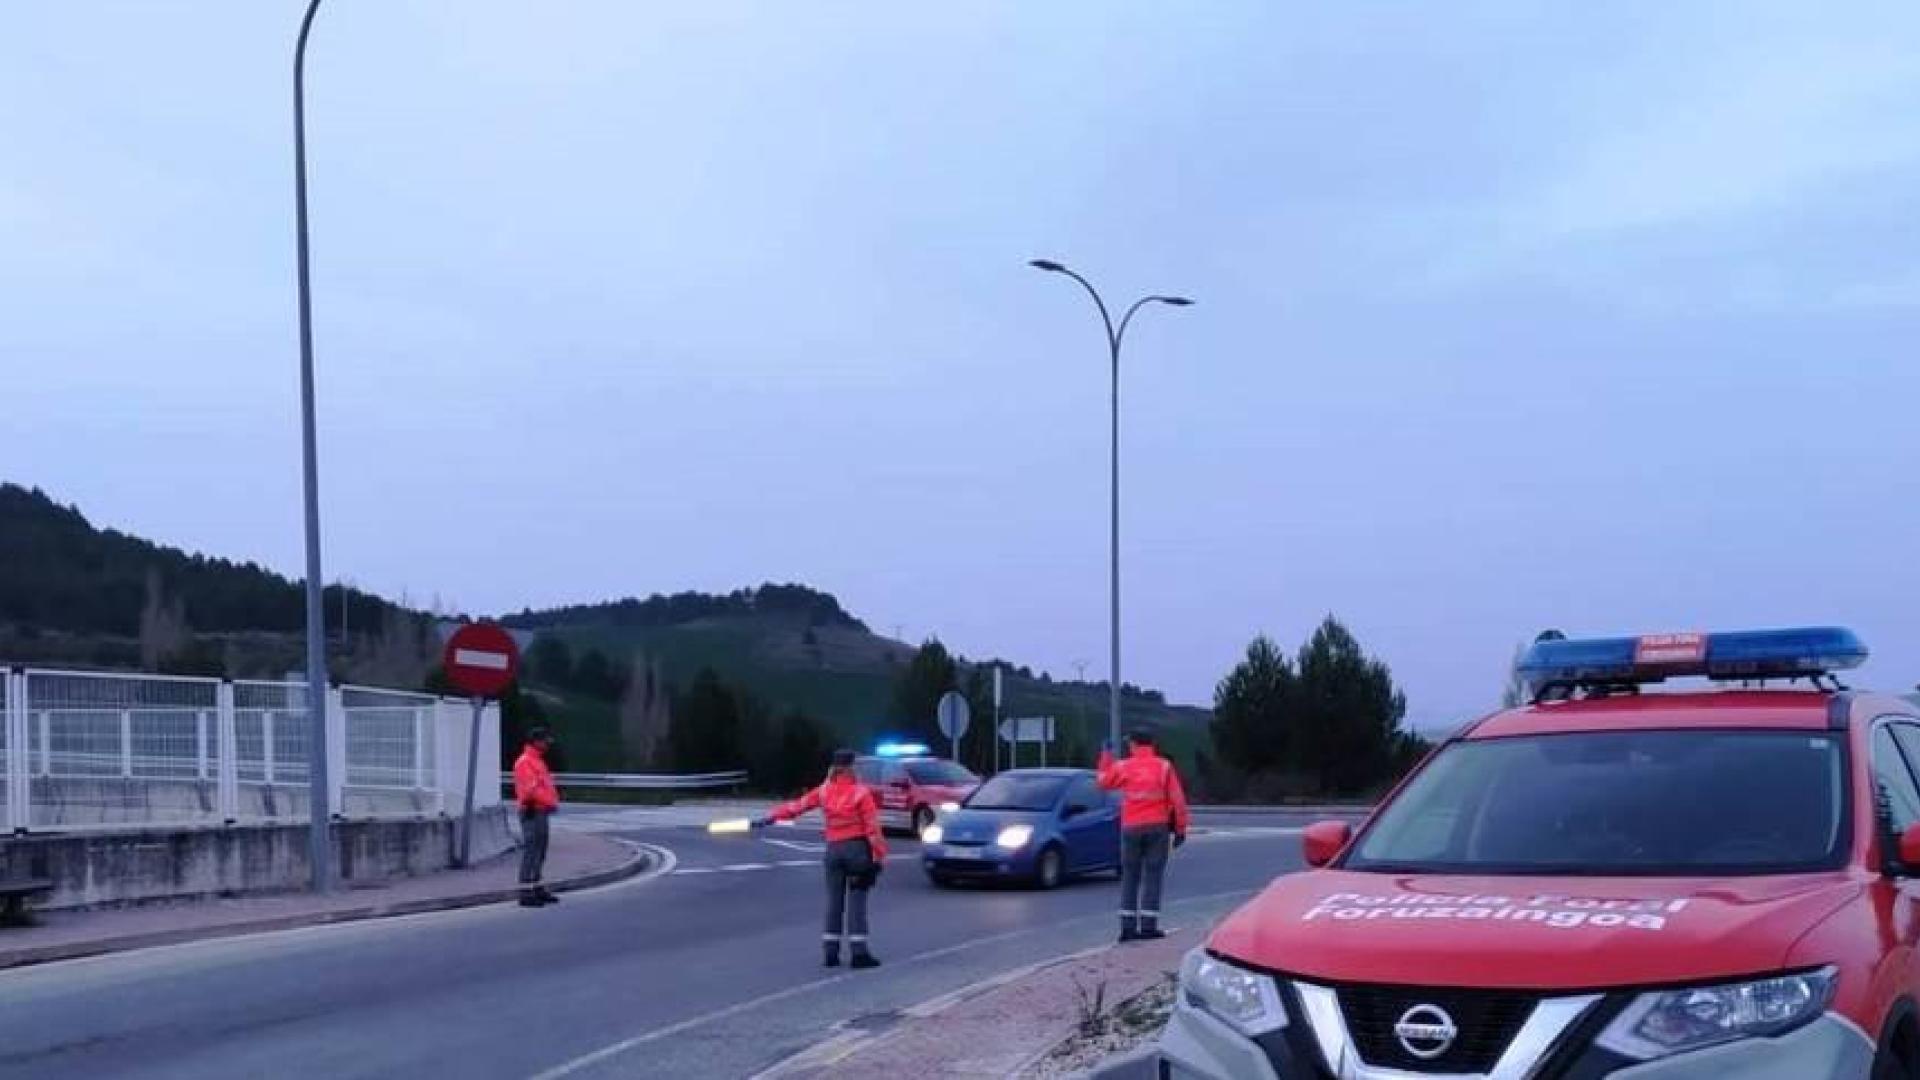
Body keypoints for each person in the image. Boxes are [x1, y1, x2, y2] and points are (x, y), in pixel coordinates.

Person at [756, 749, 889, 968]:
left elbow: (796, 807)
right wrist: (878, 857)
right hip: (857, 850)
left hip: (833, 849)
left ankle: (830, 952)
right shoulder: (861, 793)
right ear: (852, 767)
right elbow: (872, 829)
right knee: (856, 902)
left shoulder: (824, 791)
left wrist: (771, 817)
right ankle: (859, 953)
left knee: (834, 902)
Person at [1097, 728, 1190, 942]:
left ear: (1134, 744)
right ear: (1151, 744)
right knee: (1153, 876)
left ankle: (1127, 929)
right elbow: (1178, 799)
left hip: (1131, 827)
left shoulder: (1123, 766)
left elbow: (1103, 782)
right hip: (1157, 827)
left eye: (1130, 743)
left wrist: (1106, 756)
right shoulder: (1164, 766)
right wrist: (1181, 829)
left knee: (1130, 876)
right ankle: (1149, 927)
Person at [513, 727, 561, 908]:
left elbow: (544, 785)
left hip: (541, 810)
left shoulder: (538, 761)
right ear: (535, 741)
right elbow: (531, 790)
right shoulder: (525, 762)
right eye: (545, 741)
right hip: (532, 810)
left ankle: (537, 887)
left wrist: (550, 803)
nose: (547, 745)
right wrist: (550, 802)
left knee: (540, 850)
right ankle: (525, 892)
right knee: (531, 850)